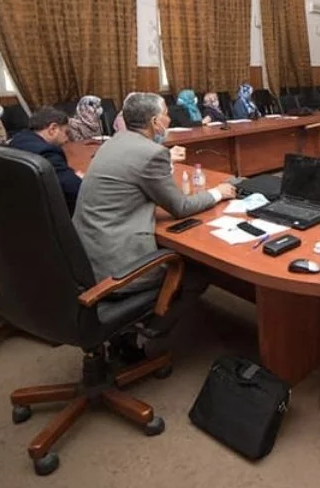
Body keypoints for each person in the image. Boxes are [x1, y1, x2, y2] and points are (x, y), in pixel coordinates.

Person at [72, 93, 236, 356]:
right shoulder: (151, 153)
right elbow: (180, 207)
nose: (169, 119)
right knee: (199, 269)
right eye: (166, 115)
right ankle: (149, 329)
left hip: (86, 259)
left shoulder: (113, 142)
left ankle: (133, 325)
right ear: (155, 122)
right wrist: (219, 192)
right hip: (117, 265)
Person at [9, 106, 82, 214]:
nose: (67, 139)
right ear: (53, 129)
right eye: (66, 133)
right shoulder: (47, 153)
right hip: (49, 214)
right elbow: (75, 190)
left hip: (20, 207)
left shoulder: (17, 140)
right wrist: (78, 179)